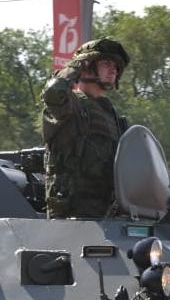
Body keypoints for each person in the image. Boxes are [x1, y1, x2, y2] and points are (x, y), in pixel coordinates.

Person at [41, 37, 130, 219]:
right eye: (106, 63)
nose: (113, 69)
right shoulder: (70, 105)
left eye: (116, 65)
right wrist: (76, 65)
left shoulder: (111, 115)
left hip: (106, 216)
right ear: (87, 67)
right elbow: (52, 93)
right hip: (71, 218)